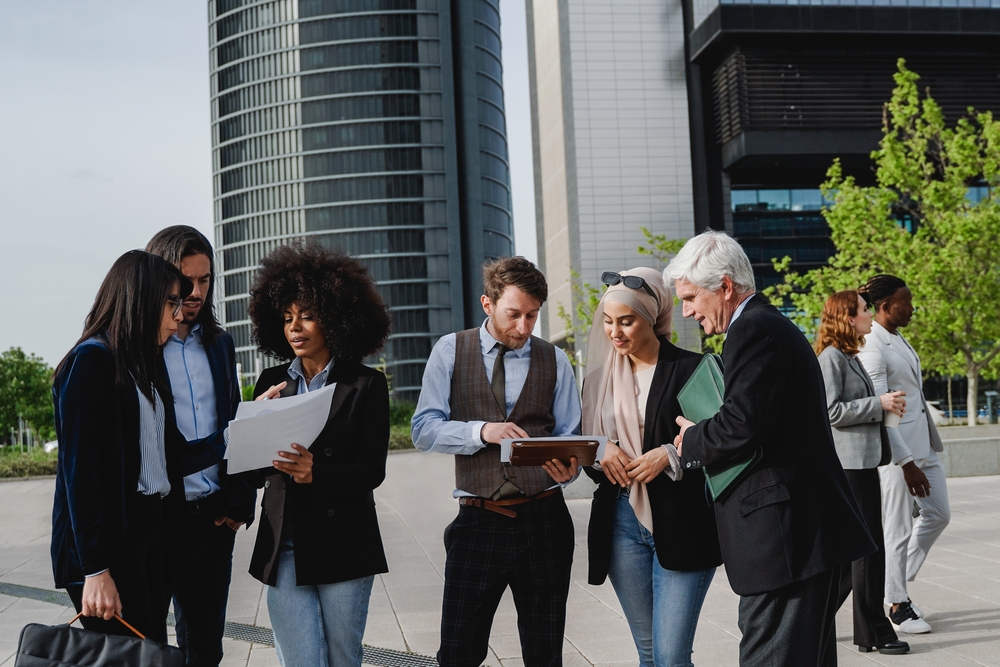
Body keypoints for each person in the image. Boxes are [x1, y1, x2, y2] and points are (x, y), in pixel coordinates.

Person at [666, 230, 874, 667]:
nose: (687, 312)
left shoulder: (752, 329)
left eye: (690, 297)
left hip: (785, 541)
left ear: (724, 286)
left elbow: (743, 424)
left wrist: (692, 439)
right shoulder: (768, 325)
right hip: (800, 536)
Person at [411, 256, 582, 667]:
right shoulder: (450, 350)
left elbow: (570, 437)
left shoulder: (555, 360)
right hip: (477, 520)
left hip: (545, 521)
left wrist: (570, 467)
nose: (523, 328)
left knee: (545, 655)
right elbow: (423, 429)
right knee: (457, 653)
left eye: (532, 316)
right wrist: (480, 431)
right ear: (488, 305)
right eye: (514, 315)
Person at [244, 242, 392, 667]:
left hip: (345, 540)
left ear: (337, 320)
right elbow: (252, 472)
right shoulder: (271, 382)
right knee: (302, 660)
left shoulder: (365, 385)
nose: (296, 327)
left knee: (344, 657)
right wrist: (253, 426)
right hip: (284, 543)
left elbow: (371, 470)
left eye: (308, 316)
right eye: (288, 317)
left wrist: (316, 474)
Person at [581, 267, 721, 667]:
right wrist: (599, 449)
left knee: (671, 657)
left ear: (653, 318)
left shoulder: (694, 369)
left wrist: (671, 455)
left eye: (626, 321)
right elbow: (587, 456)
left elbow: (720, 443)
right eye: (608, 322)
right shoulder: (596, 381)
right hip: (621, 520)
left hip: (683, 519)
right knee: (649, 655)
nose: (615, 332)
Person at [51, 250, 191, 641]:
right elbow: (82, 474)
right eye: (171, 303)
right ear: (141, 299)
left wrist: (238, 433)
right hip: (108, 548)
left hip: (147, 535)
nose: (179, 315)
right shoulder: (91, 362)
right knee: (131, 654)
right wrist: (95, 571)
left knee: (147, 652)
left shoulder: (140, 368)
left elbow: (170, 457)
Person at [146, 225, 257, 667]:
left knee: (207, 648)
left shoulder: (219, 343)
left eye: (205, 280)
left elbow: (234, 422)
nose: (195, 292)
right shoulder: (142, 347)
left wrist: (240, 499)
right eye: (185, 280)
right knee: (148, 644)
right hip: (160, 516)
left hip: (214, 518)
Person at [815, 290, 909, 655]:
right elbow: (831, 411)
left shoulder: (849, 356)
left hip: (864, 462)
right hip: (851, 466)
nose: (869, 314)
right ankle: (875, 631)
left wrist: (886, 408)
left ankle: (817, 618)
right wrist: (878, 403)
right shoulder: (831, 359)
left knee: (858, 550)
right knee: (868, 548)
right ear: (848, 317)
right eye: (864, 309)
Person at [857, 274, 950, 634]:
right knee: (896, 528)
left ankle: (891, 585)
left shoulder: (896, 337)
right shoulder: (872, 346)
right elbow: (883, 412)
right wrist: (906, 462)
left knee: (938, 514)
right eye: (906, 303)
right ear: (885, 307)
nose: (912, 308)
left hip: (923, 444)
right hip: (898, 455)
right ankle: (897, 604)